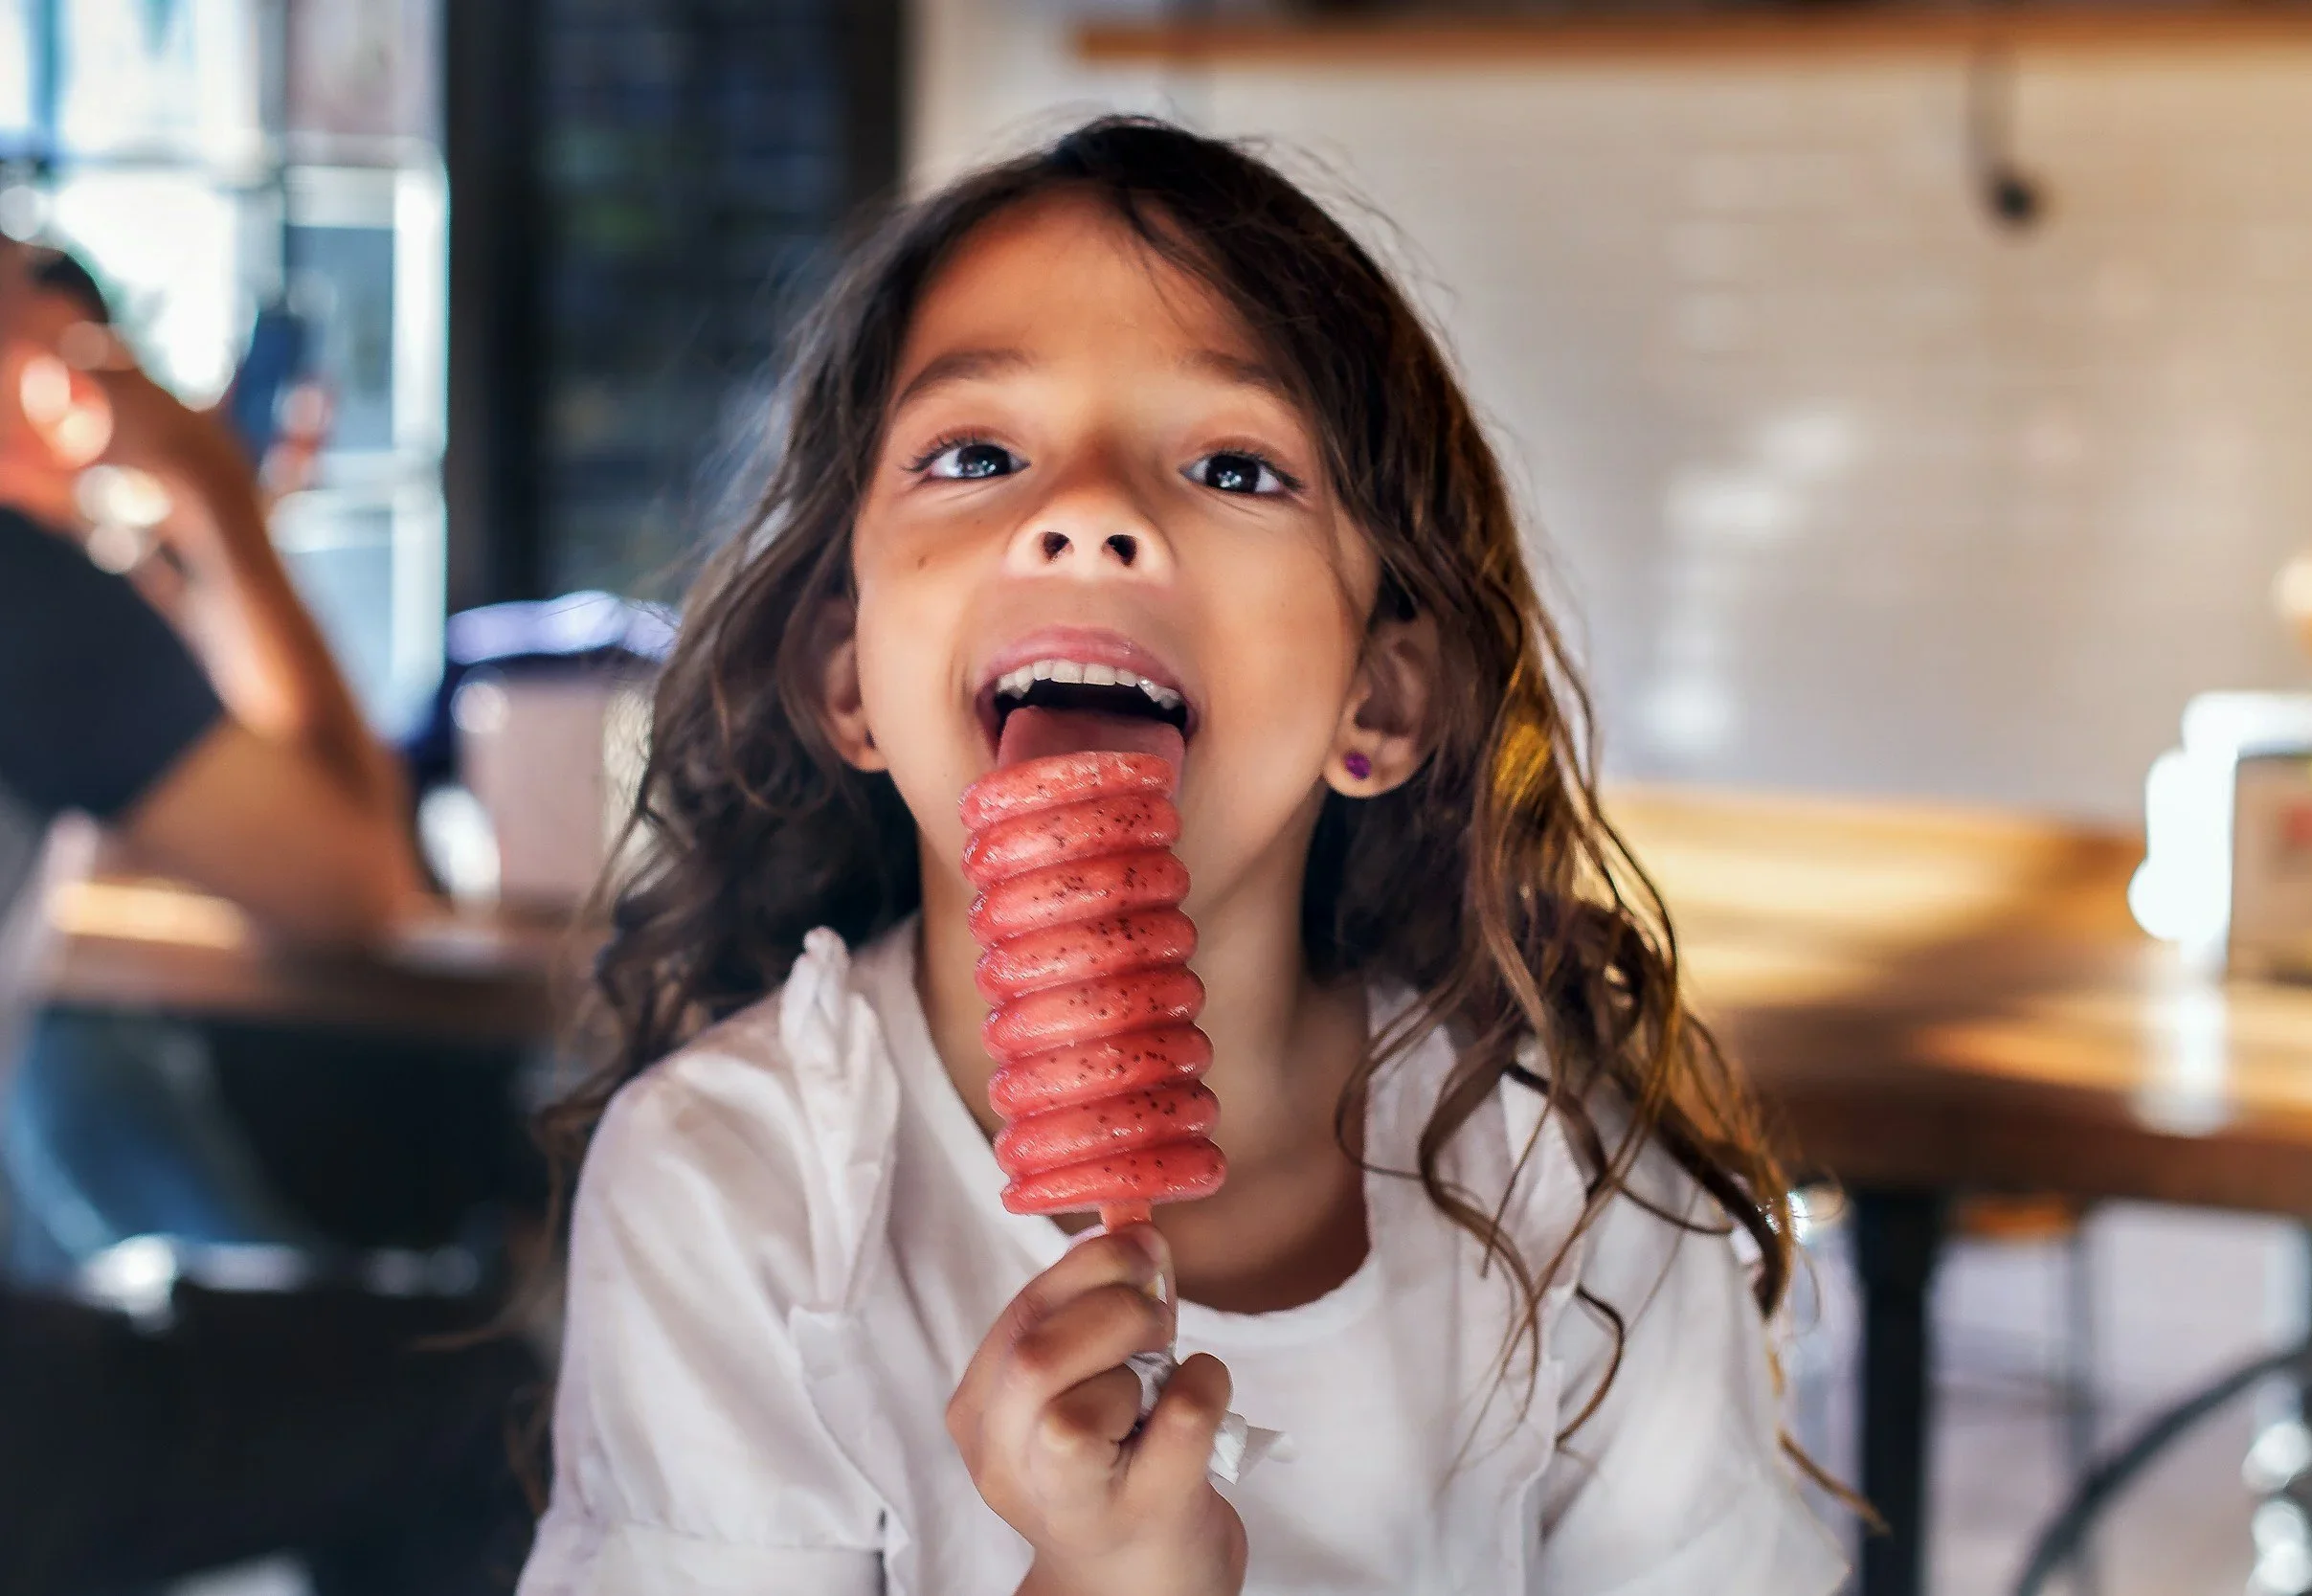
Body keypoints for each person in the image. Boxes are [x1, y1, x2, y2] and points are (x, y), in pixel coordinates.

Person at [523, 120, 1844, 1596]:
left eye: (1232, 465)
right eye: (977, 455)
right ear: (848, 674)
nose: (1087, 512)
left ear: (1380, 698)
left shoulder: (1573, 1199)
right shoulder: (737, 1187)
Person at [0, 240, 531, 1595]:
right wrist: (218, 496)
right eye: (61, 356)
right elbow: (358, 886)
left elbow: (171, 756)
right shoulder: (22, 593)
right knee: (489, 1386)